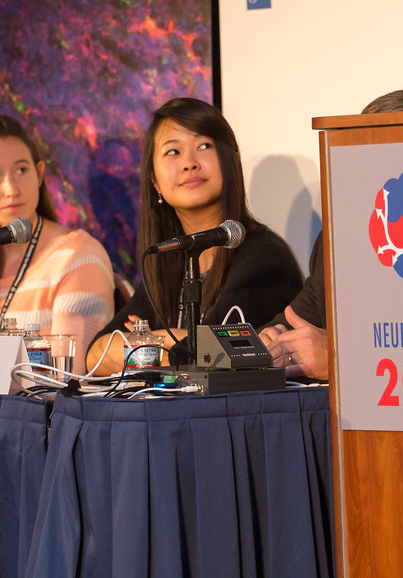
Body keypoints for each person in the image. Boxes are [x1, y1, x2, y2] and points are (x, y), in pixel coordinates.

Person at [88, 98, 303, 375]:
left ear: (231, 160)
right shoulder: (167, 260)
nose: (189, 163)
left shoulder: (265, 256)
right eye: (173, 152)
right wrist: (173, 342)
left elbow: (208, 355)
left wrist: (150, 339)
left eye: (203, 146)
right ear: (155, 181)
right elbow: (95, 355)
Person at [259, 89, 403, 381]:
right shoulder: (340, 237)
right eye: (368, 152)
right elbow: (305, 317)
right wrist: (272, 340)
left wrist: (342, 360)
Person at [0, 115, 114, 371]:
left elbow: (69, 375)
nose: (11, 189)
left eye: (21, 170)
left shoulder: (78, 255)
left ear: (40, 174)